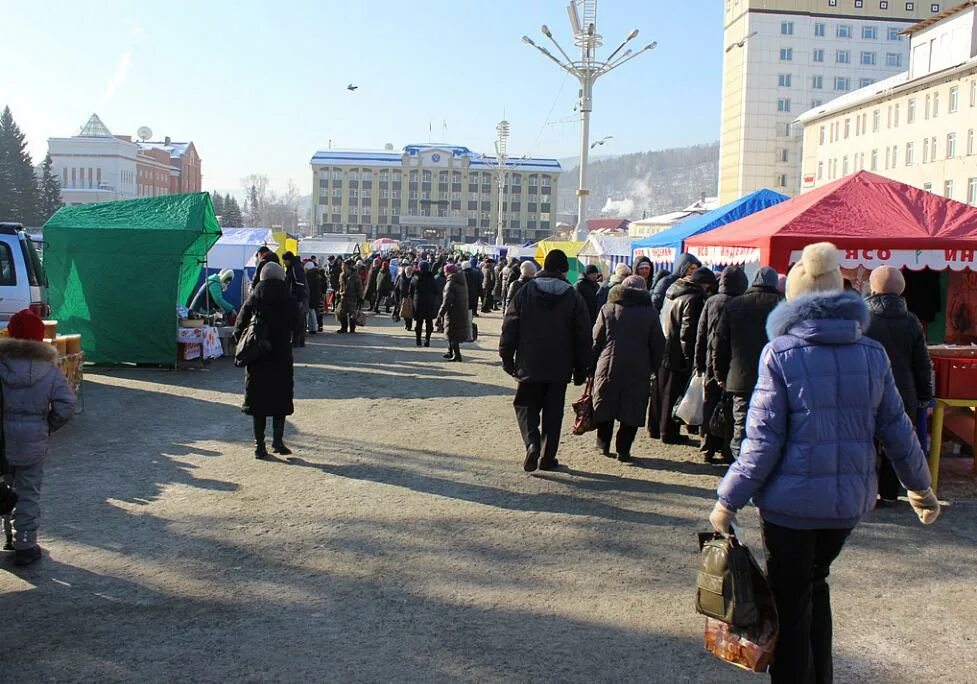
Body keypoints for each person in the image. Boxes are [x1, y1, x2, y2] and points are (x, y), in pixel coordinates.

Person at [709, 242, 940, 684]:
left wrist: (727, 500)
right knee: (816, 584)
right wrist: (920, 488)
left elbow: (762, 441)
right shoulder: (871, 353)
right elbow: (898, 428)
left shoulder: (780, 354)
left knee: (789, 603)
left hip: (789, 508)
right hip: (846, 504)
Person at [499, 250, 591, 472]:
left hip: (529, 362)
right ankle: (547, 458)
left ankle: (532, 443)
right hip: (560, 366)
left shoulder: (526, 291)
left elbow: (510, 325)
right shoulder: (573, 297)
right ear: (564, 270)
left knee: (525, 406)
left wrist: (506, 356)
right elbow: (582, 335)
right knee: (553, 413)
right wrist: (581, 368)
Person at [0, 310, 76, 566]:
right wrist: (47, 425)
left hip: (2, 442)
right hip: (33, 440)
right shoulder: (51, 371)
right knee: (28, 492)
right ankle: (25, 545)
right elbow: (66, 406)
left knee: (4, 489)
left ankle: (7, 536)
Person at [864, 265, 933, 505]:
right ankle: (891, 494)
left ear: (873, 288)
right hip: (904, 392)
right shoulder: (912, 322)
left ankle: (868, 493)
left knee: (866, 443)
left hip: (867, 391)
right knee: (897, 443)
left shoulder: (862, 320)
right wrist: (926, 395)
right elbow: (922, 364)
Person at [592, 275, 666, 462]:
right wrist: (655, 367)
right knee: (632, 408)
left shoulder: (608, 308)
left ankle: (603, 443)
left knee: (605, 402)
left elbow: (596, 339)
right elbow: (658, 343)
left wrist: (590, 365)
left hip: (608, 364)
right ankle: (623, 450)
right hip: (638, 367)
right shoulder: (650, 312)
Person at [712, 266, 782, 459]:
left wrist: (719, 374)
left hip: (739, 376)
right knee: (767, 425)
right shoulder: (782, 306)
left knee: (740, 424)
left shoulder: (734, 305)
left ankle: (740, 464)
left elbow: (719, 343)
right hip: (773, 377)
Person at [235, 262, 298, 460]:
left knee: (258, 402)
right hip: (281, 356)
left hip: (258, 358)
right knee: (280, 398)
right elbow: (298, 325)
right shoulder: (287, 299)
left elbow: (239, 325)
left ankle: (259, 445)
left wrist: (246, 344)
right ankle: (278, 442)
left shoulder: (254, 298)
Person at [694, 265, 748, 463]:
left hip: (710, 360)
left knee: (710, 403)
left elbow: (701, 334)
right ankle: (725, 446)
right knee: (730, 406)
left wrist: (698, 362)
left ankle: (707, 444)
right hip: (733, 362)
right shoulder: (742, 303)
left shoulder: (711, 301)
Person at [655, 258, 706, 443]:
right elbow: (687, 330)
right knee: (672, 391)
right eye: (691, 268)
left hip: (666, 344)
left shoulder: (672, 290)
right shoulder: (692, 297)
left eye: (695, 269)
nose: (693, 272)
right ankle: (668, 432)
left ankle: (657, 428)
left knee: (662, 390)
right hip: (677, 349)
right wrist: (688, 355)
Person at [438, 263, 469, 361]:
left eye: (445, 271)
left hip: (453, 311)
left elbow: (447, 300)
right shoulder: (461, 281)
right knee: (453, 332)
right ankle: (450, 351)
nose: (444, 273)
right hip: (460, 310)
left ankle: (457, 355)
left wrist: (441, 313)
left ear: (448, 272)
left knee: (452, 333)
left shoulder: (451, 283)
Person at [282, 252, 309, 348]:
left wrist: (299, 300)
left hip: (298, 297)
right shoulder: (295, 266)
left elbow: (299, 284)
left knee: (297, 320)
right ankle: (299, 341)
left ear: (289, 260)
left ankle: (297, 341)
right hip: (298, 297)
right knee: (299, 320)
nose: (284, 263)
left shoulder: (295, 268)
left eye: (285, 261)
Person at [411, 261, 440, 347]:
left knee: (419, 322)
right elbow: (436, 291)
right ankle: (427, 340)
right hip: (429, 302)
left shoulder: (415, 278)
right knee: (429, 321)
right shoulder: (431, 278)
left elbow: (410, 291)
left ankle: (418, 340)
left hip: (418, 302)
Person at [336, 259, 365, 334]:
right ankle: (343, 328)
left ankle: (352, 329)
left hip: (352, 297)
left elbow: (360, 287)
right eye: (342, 265)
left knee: (352, 314)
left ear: (348, 266)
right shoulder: (342, 275)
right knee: (341, 313)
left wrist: (360, 297)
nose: (342, 267)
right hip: (343, 297)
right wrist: (339, 293)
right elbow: (340, 286)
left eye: (344, 265)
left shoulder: (355, 276)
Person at [304, 259, 324, 334]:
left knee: (309, 312)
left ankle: (309, 327)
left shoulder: (309, 276)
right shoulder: (316, 275)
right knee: (312, 311)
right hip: (315, 296)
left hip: (310, 296)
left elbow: (308, 287)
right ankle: (313, 328)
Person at [394, 264, 414, 328]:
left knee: (410, 312)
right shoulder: (401, 278)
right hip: (402, 298)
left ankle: (409, 325)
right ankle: (406, 322)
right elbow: (396, 289)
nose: (408, 272)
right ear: (405, 272)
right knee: (404, 312)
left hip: (411, 298)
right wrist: (396, 298)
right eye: (407, 271)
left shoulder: (414, 279)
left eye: (410, 271)